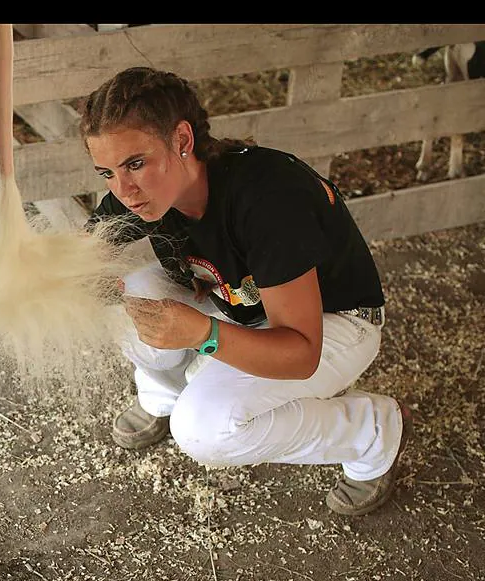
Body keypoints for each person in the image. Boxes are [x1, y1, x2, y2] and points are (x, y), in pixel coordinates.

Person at [81, 66, 409, 516]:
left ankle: (371, 432)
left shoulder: (267, 198)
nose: (124, 190)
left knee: (204, 428)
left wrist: (203, 335)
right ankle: (160, 394)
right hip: (240, 305)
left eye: (136, 163)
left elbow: (301, 353)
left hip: (334, 323)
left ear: (182, 140)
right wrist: (72, 278)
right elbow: (83, 255)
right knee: (129, 298)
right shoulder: (139, 191)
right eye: (107, 172)